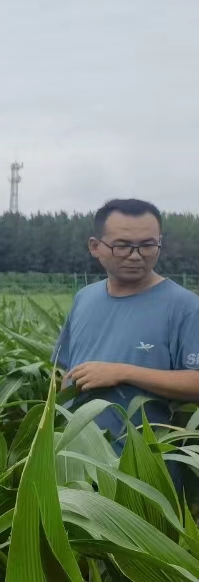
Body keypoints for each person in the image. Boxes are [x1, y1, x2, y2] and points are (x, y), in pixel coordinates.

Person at [54, 198, 199, 492]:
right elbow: (61, 369)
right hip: (76, 469)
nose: (136, 256)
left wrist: (123, 372)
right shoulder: (84, 298)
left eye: (147, 245)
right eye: (122, 246)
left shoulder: (184, 306)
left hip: (144, 475)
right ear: (95, 246)